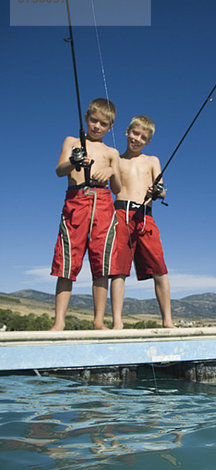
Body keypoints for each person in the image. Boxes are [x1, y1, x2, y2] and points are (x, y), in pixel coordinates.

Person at [50, 98, 121, 330]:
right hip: (75, 201)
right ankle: (59, 321)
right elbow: (60, 171)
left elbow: (118, 189)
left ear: (110, 127)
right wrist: (73, 162)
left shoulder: (112, 152)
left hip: (103, 202)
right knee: (67, 259)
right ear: (86, 118)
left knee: (101, 263)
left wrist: (111, 171)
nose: (97, 126)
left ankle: (98, 321)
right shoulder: (72, 141)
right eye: (93, 120)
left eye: (103, 123)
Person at [111, 115, 173, 329]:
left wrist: (157, 192)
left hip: (145, 216)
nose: (137, 139)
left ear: (148, 142)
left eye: (143, 137)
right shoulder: (115, 159)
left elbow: (162, 190)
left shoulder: (152, 160)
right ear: (127, 131)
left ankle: (168, 321)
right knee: (118, 270)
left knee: (160, 269)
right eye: (135, 133)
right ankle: (117, 323)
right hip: (120, 214)